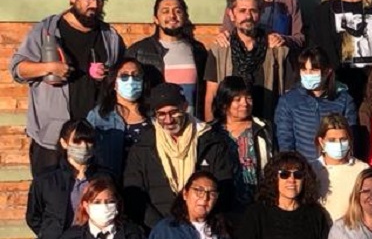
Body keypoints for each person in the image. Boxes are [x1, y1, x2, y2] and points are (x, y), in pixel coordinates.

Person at [10, 0, 124, 175]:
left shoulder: (110, 37)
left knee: (93, 200)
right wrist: (49, 67)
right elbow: (18, 69)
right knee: (52, 201)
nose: (94, 4)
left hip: (96, 136)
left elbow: (120, 79)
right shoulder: (47, 30)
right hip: (52, 139)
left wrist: (107, 76)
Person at [123, 83, 234, 229]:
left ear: (185, 106)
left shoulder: (211, 141)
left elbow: (224, 187)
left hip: (202, 228)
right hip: (157, 231)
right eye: (161, 114)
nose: (168, 120)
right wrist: (162, 228)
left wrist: (200, 221)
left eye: (174, 112)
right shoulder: (142, 147)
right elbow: (135, 196)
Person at [202, 0, 293, 123]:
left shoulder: (277, 50)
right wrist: (210, 130)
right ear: (231, 14)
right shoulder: (220, 50)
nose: (248, 16)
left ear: (261, 13)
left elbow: (289, 94)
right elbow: (211, 95)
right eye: (242, 11)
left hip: (267, 126)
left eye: (253, 11)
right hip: (228, 129)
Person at [274, 47, 357, 161]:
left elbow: (351, 137)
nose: (308, 74)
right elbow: (285, 140)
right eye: (304, 69)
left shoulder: (344, 100)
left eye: (313, 70)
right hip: (304, 169)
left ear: (327, 71)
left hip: (336, 166)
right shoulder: (289, 101)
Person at [128, 0, 208, 109]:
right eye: (165, 11)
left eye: (178, 11)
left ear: (185, 17)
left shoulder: (198, 50)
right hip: (155, 124)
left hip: (192, 124)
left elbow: (206, 92)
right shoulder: (138, 52)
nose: (172, 16)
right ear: (155, 18)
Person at [209, 76, 275, 220]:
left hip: (258, 205)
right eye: (237, 99)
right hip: (222, 208)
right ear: (224, 103)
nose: (244, 104)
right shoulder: (210, 133)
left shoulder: (265, 129)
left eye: (248, 98)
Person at [87, 57, 152, 179]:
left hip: (148, 181)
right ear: (114, 83)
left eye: (136, 76)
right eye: (124, 76)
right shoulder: (99, 116)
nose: (131, 80)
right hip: (112, 182)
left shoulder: (153, 114)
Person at [312, 114, 371, 222]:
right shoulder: (312, 170)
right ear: (321, 141)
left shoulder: (362, 169)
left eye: (343, 139)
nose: (338, 144)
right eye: (332, 140)